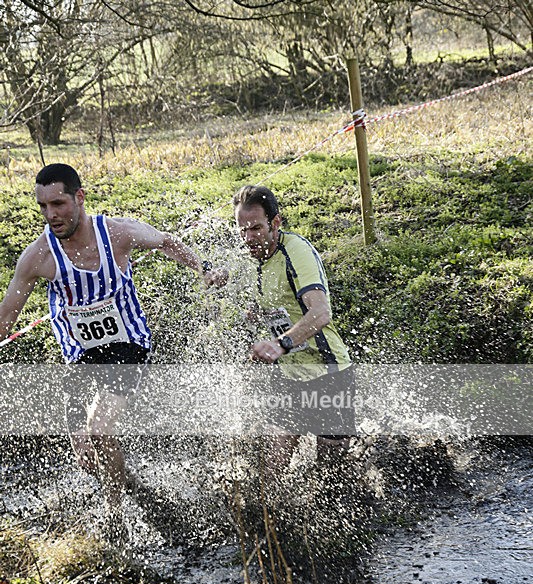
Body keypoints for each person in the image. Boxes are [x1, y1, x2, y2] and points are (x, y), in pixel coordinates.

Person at [0, 162, 226, 531]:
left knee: (101, 429)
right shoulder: (37, 256)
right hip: (79, 357)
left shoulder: (117, 233)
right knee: (89, 454)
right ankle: (133, 486)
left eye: (58, 204)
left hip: (126, 344)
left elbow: (166, 242)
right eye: (43, 207)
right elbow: (6, 318)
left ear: (80, 197)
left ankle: (115, 517)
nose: (51, 215)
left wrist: (203, 268)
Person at [233, 184, 353, 477]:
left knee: (330, 476)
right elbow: (274, 306)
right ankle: (272, 517)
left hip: (329, 375)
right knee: (271, 471)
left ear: (276, 223)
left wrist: (281, 344)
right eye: (242, 230)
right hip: (289, 377)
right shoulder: (254, 259)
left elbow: (321, 312)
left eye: (256, 228)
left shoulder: (296, 252)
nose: (249, 238)